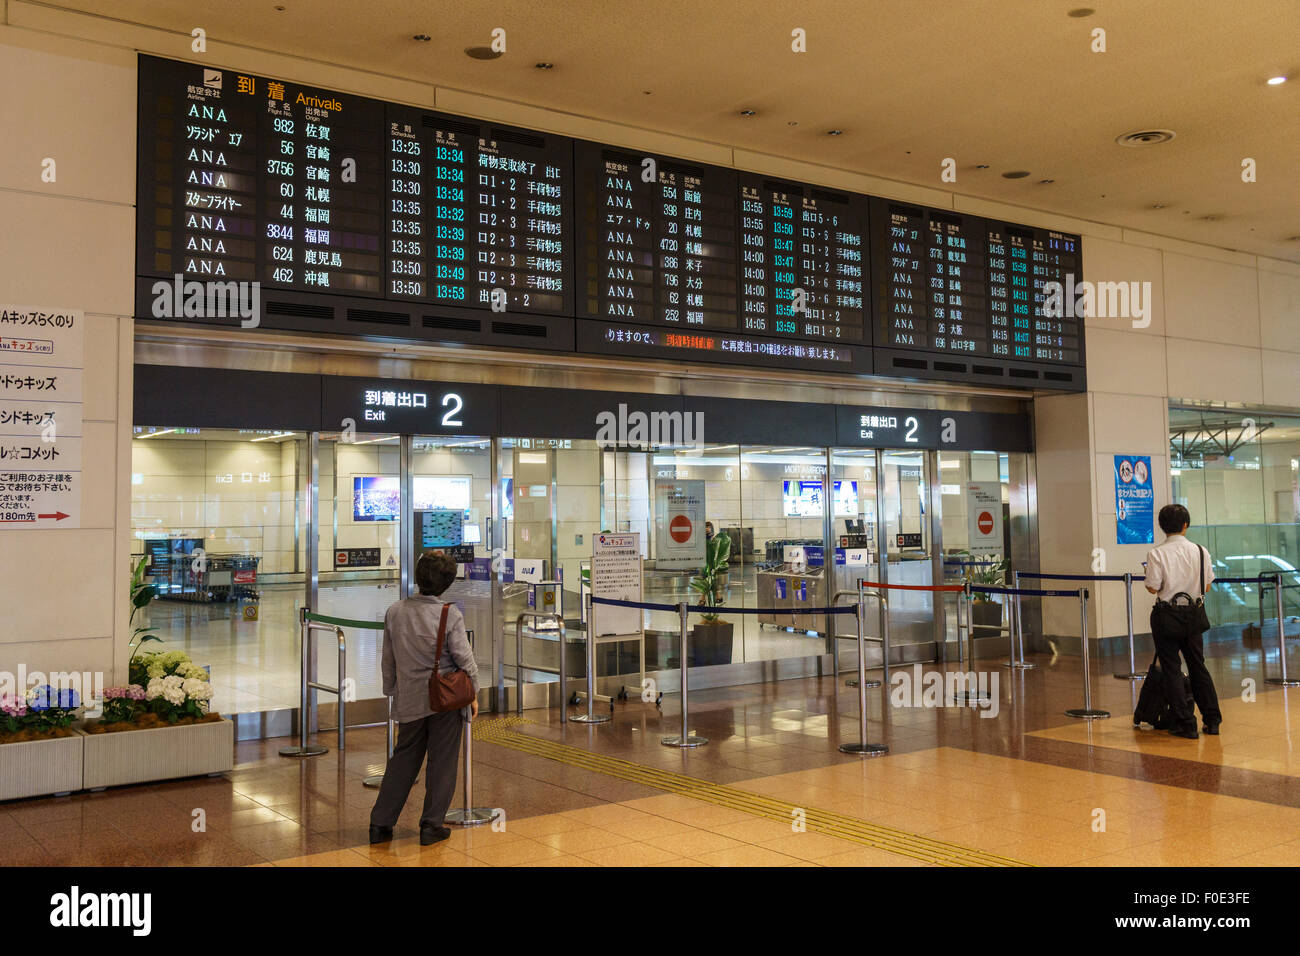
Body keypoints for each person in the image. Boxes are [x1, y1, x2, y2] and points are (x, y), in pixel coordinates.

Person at [370, 551, 479, 846]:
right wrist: (474, 694)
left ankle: (380, 824)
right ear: (446, 583)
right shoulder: (448, 614)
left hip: (409, 698)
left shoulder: (395, 611)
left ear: (418, 577)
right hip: (444, 700)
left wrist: (391, 691)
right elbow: (465, 660)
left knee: (403, 760)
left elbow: (388, 660)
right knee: (442, 762)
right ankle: (431, 825)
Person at [1143, 504, 1222, 739]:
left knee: (1172, 669)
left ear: (1161, 526)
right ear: (1185, 525)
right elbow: (1206, 586)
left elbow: (1152, 587)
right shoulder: (1200, 551)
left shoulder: (1156, 553)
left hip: (1166, 616)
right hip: (1193, 616)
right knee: (1198, 666)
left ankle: (1185, 723)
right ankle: (1212, 720)